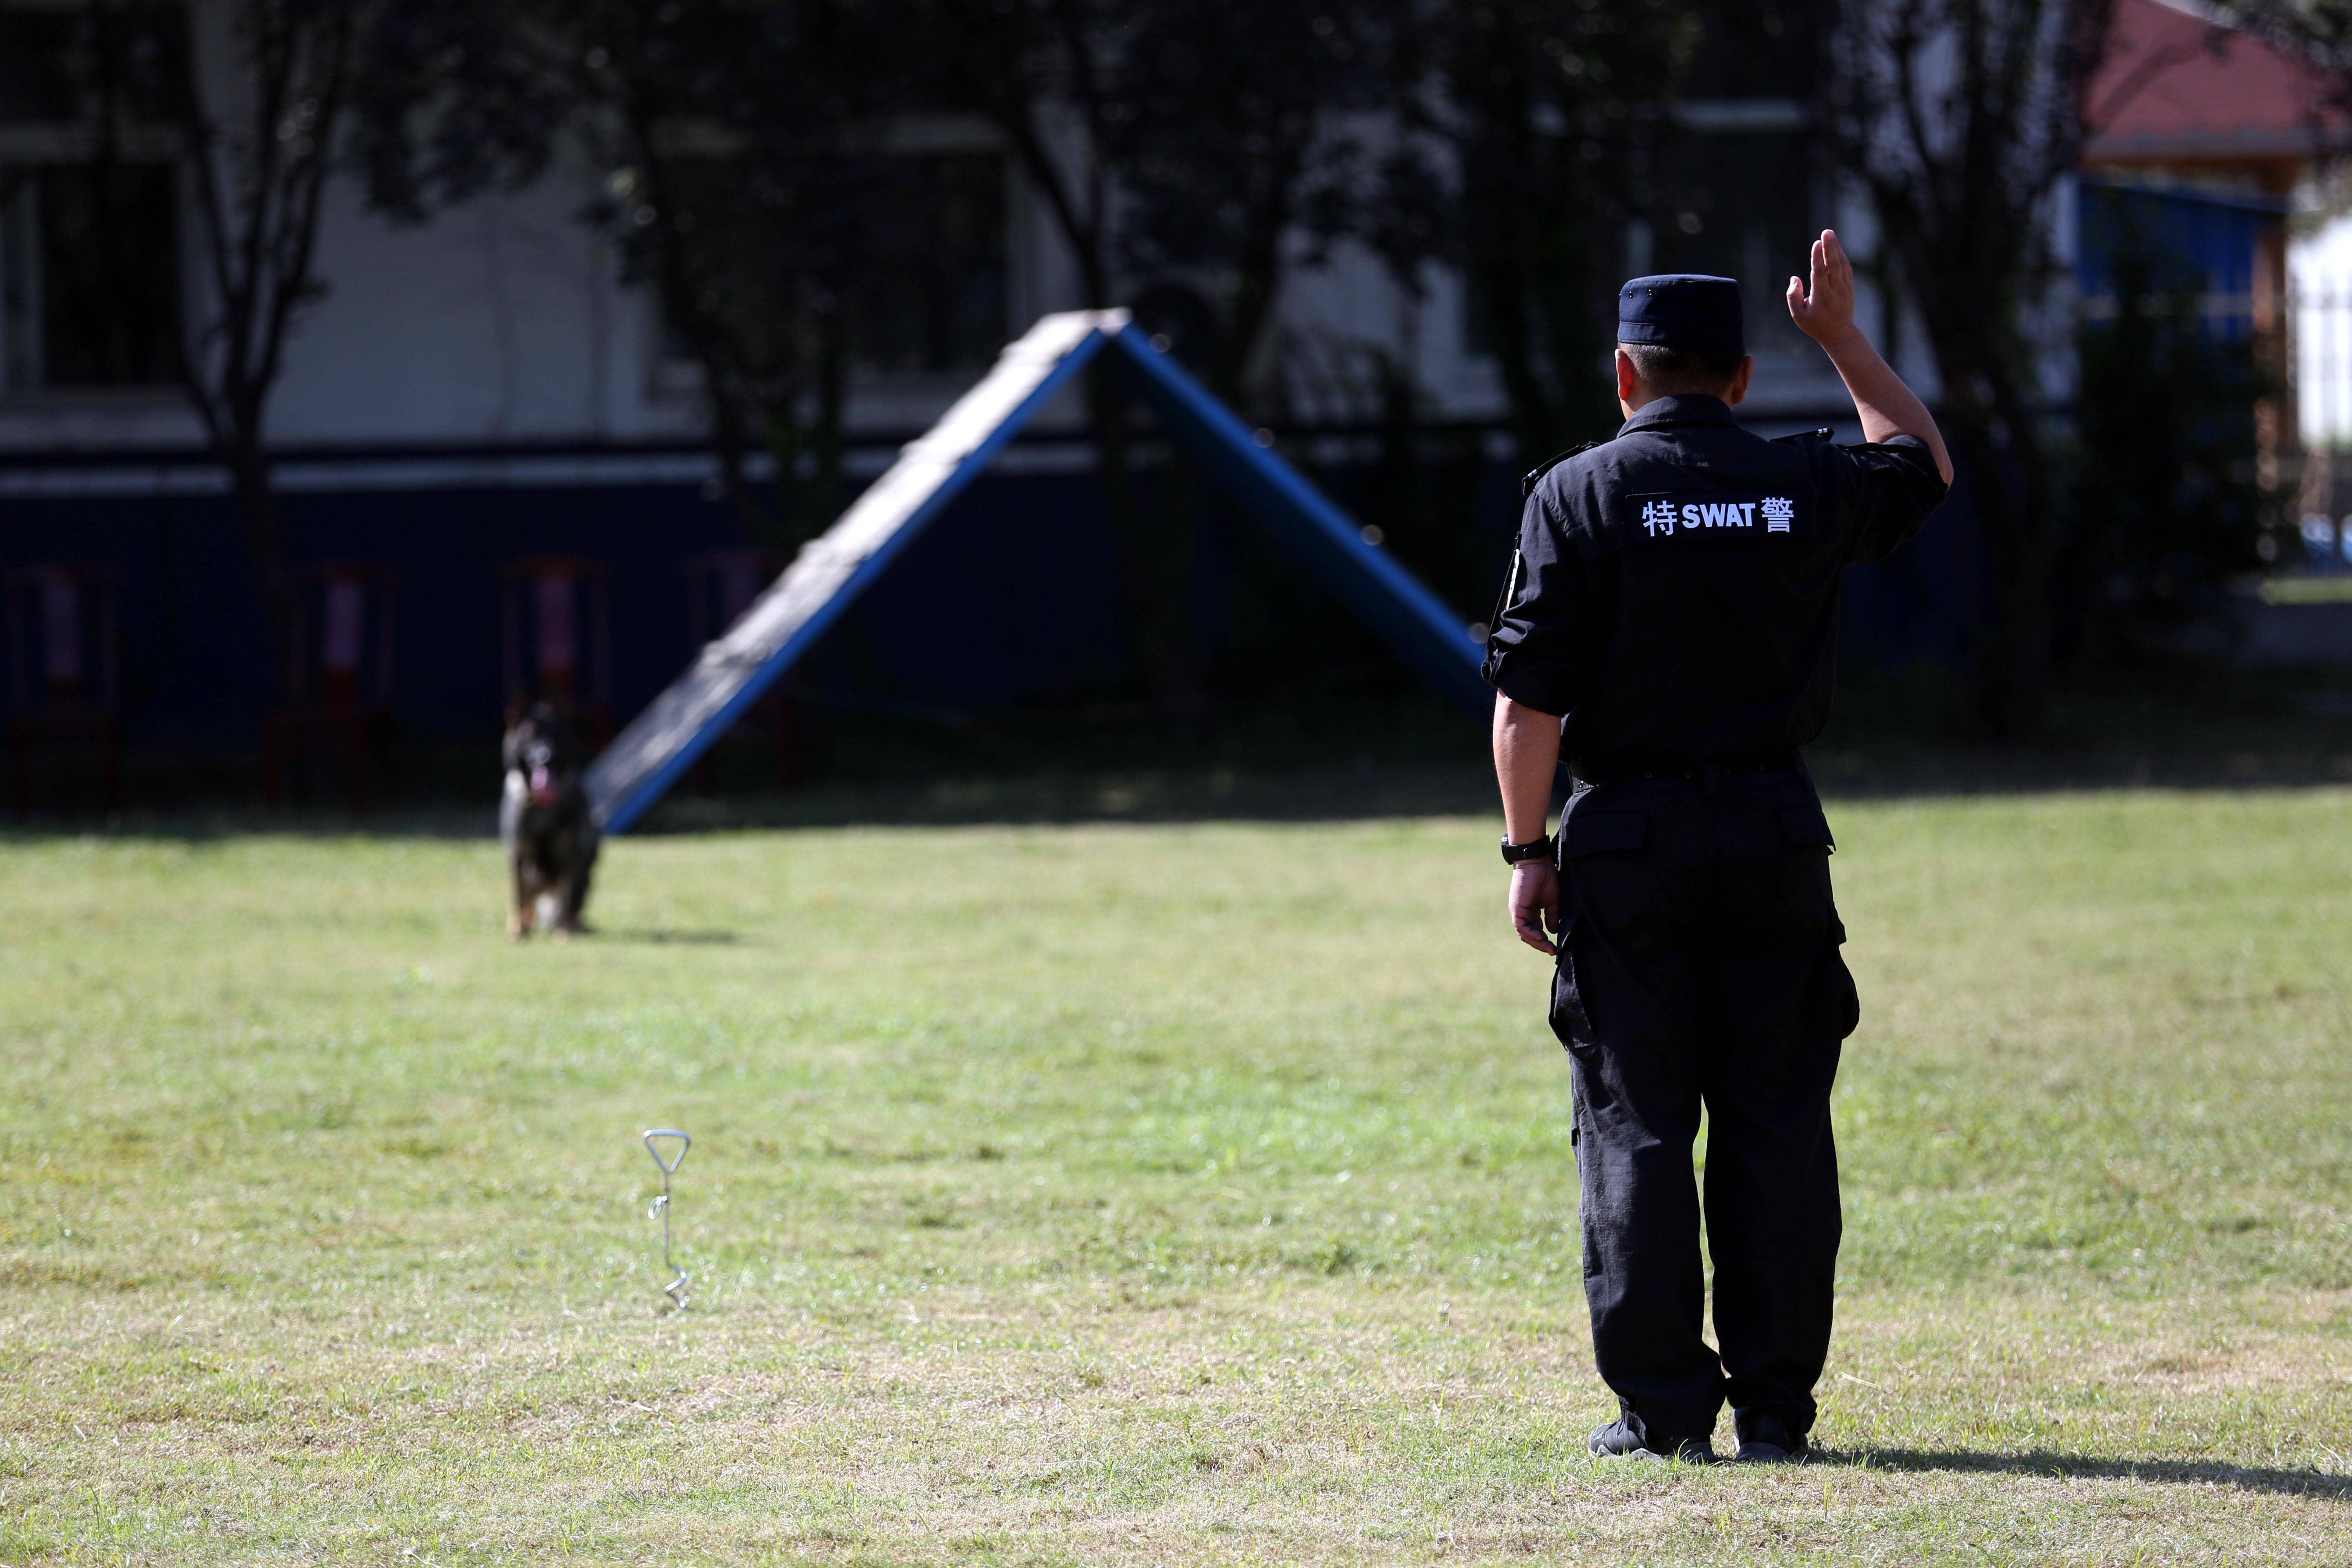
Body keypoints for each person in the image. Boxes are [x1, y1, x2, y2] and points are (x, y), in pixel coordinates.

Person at [1482, 232, 1952, 1465]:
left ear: (1625, 376)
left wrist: (1528, 849)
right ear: (1740, 377)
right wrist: (1842, 339)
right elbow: (1924, 463)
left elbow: (1525, 707)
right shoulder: (1802, 482)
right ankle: (1778, 1414)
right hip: (1775, 837)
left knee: (1637, 1122)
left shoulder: (1575, 494)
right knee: (1777, 1120)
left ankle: (1662, 1411)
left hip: (1629, 843)